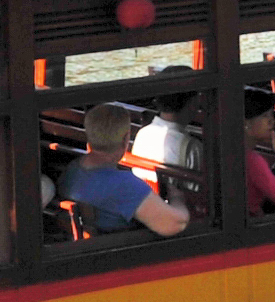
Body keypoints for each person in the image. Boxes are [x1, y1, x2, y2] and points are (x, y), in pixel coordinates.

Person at [57, 101, 190, 238]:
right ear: (126, 138)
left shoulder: (72, 169)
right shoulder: (125, 186)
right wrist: (176, 196)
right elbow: (175, 224)